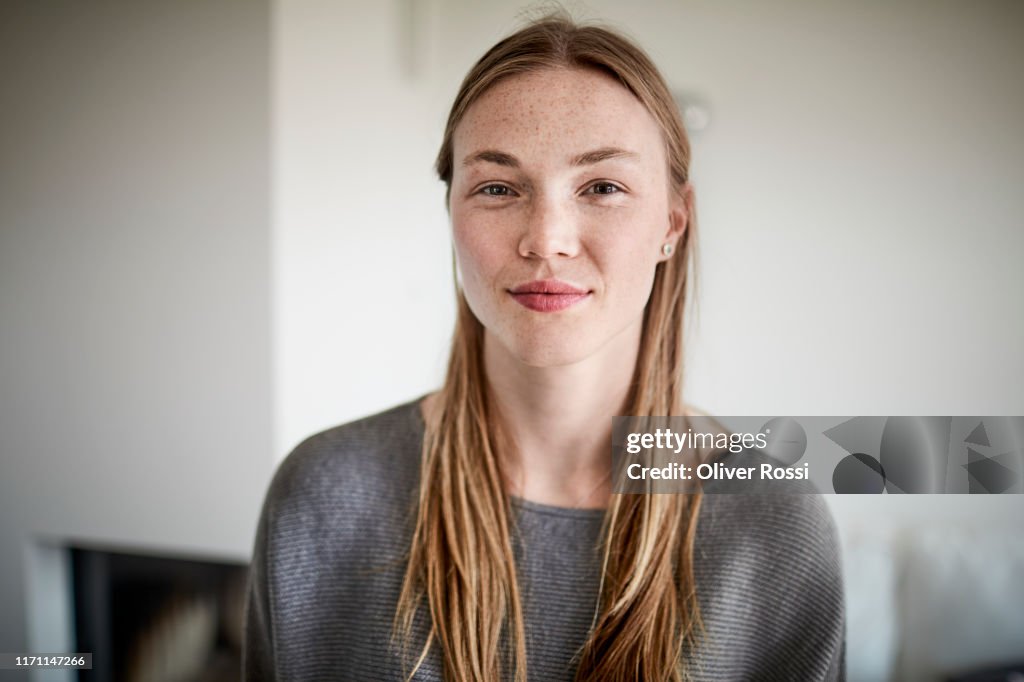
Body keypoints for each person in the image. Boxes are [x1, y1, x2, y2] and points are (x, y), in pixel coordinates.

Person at [243, 12, 845, 682]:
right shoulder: (325, 493)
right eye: (498, 188)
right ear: (452, 214)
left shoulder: (773, 517)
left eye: (603, 188)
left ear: (673, 224)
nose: (547, 239)